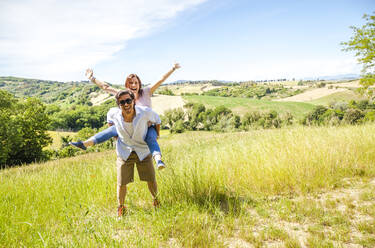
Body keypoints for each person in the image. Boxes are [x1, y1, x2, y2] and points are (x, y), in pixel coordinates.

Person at [70, 63, 180, 169]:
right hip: (127, 127)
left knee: (151, 137)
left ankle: (159, 160)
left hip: (146, 127)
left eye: (136, 83)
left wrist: (173, 68)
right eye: (130, 83)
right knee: (113, 129)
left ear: (139, 84)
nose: (133, 85)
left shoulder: (146, 92)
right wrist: (92, 78)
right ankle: (85, 144)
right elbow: (105, 87)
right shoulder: (123, 95)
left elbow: (160, 79)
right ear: (127, 85)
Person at [109, 89, 161, 216]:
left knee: (151, 179)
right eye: (122, 102)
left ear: (133, 101)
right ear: (118, 104)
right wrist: (114, 134)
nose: (126, 104)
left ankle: (156, 201)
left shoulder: (144, 112)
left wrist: (156, 135)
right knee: (121, 183)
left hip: (143, 150)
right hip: (124, 152)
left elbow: (157, 120)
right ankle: (121, 208)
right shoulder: (113, 114)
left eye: (128, 100)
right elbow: (109, 121)